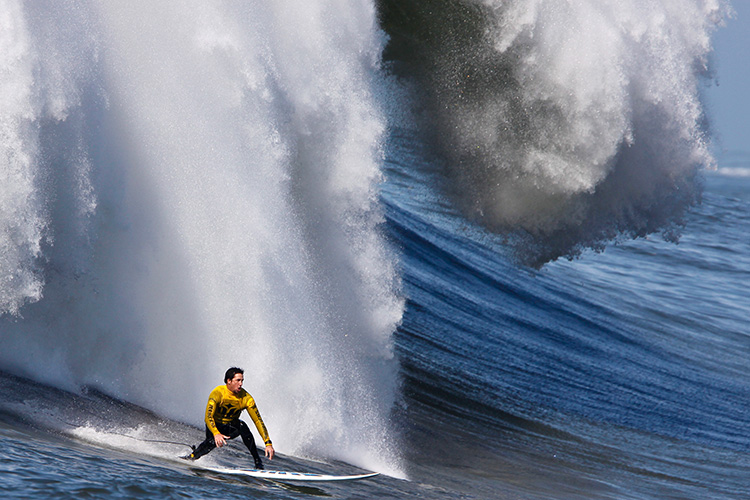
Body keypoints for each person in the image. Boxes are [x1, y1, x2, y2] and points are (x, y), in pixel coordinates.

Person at [184, 367, 275, 469]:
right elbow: (208, 416)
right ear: (229, 381)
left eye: (242, 381)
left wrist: (268, 443)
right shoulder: (218, 393)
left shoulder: (246, 398)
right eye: (238, 380)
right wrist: (216, 433)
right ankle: (192, 456)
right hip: (214, 425)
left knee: (242, 426)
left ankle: (258, 462)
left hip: (230, 426)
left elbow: (258, 421)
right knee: (211, 443)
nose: (241, 384)